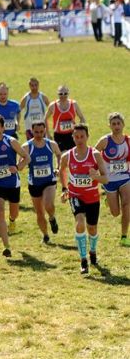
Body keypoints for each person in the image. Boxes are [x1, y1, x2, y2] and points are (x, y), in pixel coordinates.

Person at [60, 124, 109, 274]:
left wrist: (95, 177)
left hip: (92, 196)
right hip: (75, 195)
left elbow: (106, 179)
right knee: (80, 223)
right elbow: (62, 170)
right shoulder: (67, 156)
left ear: (87, 137)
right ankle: (83, 260)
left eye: (82, 136)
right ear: (72, 137)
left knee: (92, 228)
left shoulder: (95, 155)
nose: (79, 140)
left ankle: (92, 251)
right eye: (76, 137)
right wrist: (64, 188)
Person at [0, 114, 30, 257]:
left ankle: (12, 220)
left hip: (12, 183)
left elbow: (27, 157)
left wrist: (19, 166)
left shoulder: (11, 141)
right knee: (0, 214)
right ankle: (6, 246)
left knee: (14, 213)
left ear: (3, 128)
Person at [23, 120, 61, 244]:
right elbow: (21, 162)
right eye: (36, 132)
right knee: (39, 213)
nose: (39, 134)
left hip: (49, 181)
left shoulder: (51, 144)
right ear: (31, 131)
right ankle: (45, 235)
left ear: (45, 130)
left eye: (41, 131)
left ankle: (52, 218)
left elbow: (59, 155)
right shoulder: (27, 146)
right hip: (34, 184)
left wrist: (57, 168)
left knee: (48, 205)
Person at [95, 112, 130, 247]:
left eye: (118, 123)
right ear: (109, 125)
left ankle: (124, 236)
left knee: (127, 205)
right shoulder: (105, 141)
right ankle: (109, 200)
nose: (116, 126)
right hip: (109, 180)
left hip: (125, 177)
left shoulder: (128, 141)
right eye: (113, 124)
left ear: (123, 125)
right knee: (115, 213)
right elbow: (93, 155)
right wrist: (97, 172)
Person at [46, 85, 85, 151]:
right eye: (61, 94)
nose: (63, 96)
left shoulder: (74, 104)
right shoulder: (53, 105)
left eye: (65, 94)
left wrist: (79, 131)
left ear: (68, 93)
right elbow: (45, 119)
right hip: (58, 135)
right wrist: (48, 133)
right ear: (57, 94)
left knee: (73, 155)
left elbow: (82, 118)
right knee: (61, 157)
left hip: (72, 134)